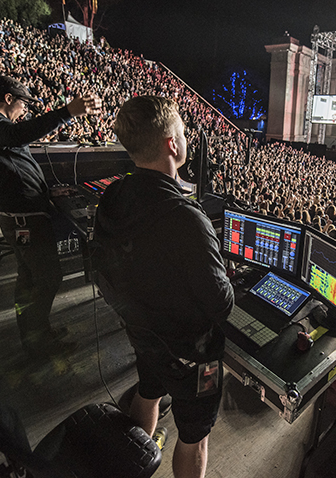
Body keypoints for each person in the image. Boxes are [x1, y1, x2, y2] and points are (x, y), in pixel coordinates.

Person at [95, 96, 233, 478]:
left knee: (148, 390)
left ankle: (132, 465)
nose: (186, 137)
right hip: (190, 352)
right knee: (194, 437)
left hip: (142, 334)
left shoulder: (113, 194)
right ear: (172, 143)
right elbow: (220, 304)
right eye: (184, 132)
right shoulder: (187, 219)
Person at [0, 75, 101, 357]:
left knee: (29, 278)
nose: (25, 110)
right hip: (22, 217)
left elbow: (15, 160)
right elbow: (14, 137)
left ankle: (35, 333)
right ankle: (38, 343)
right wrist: (66, 112)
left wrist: (47, 193)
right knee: (47, 278)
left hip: (22, 211)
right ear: (9, 99)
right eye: (23, 103)